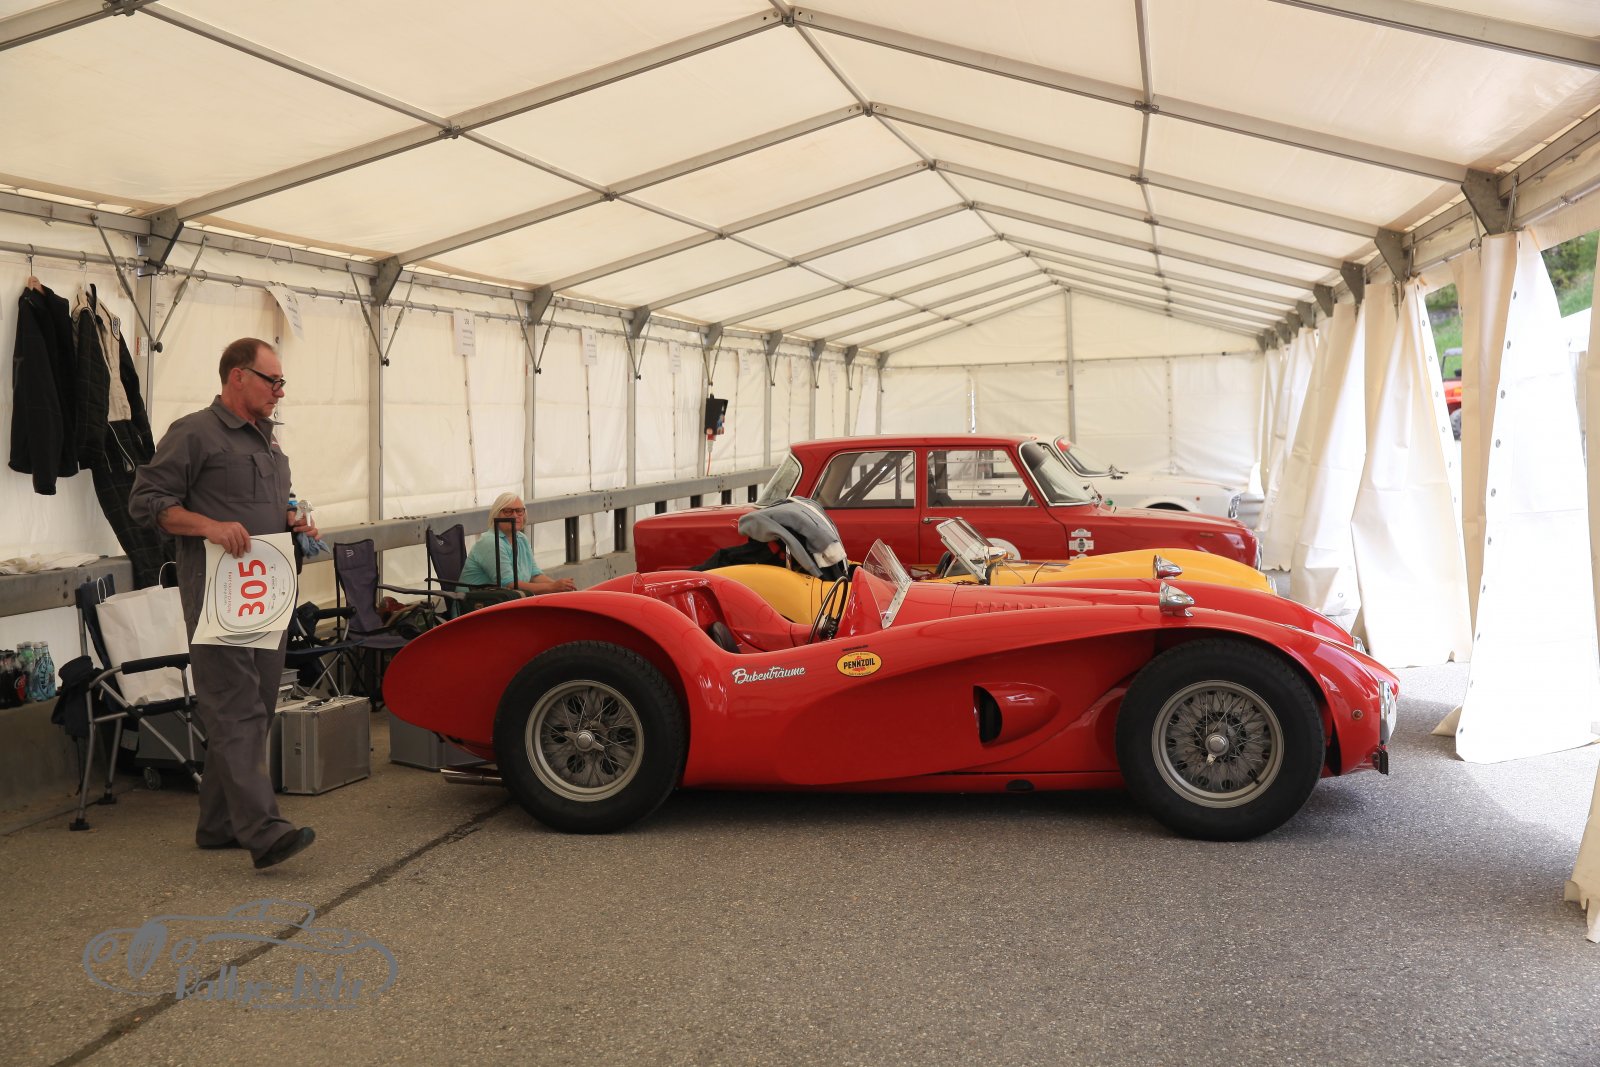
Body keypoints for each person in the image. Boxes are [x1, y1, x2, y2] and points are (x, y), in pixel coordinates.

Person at [128, 338, 317, 871]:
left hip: (265, 598)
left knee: (255, 708)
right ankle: (264, 830)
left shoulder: (270, 442)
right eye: (272, 381)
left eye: (282, 382)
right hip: (218, 598)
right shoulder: (194, 433)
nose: (280, 391)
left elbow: (273, 507)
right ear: (238, 376)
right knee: (236, 708)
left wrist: (294, 522)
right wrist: (207, 526)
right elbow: (145, 502)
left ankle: (218, 824)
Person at [458, 492, 576, 596]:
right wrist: (552, 587)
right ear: (496, 515)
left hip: (501, 601)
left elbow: (534, 576)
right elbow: (509, 585)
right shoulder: (490, 542)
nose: (515, 515)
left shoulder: (521, 538)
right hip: (475, 605)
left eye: (519, 511)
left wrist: (563, 587)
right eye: (508, 511)